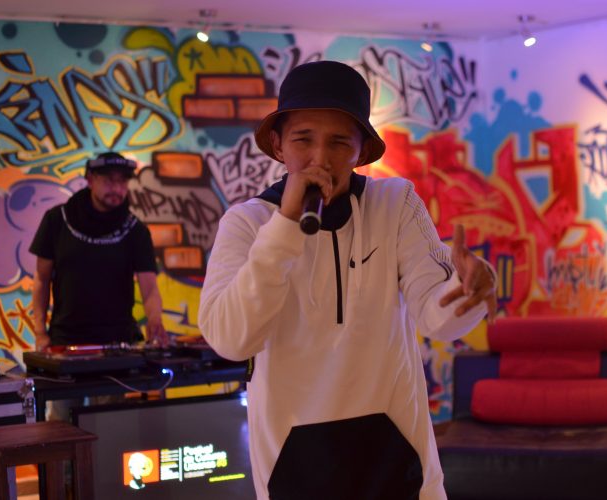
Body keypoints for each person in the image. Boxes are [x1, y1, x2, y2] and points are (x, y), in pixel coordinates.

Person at [199, 60, 497, 499]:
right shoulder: (246, 223)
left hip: (401, 470)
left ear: (360, 151)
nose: (320, 158)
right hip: (294, 474)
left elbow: (435, 317)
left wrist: (466, 290)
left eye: (339, 142)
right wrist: (284, 228)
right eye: (303, 139)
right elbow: (231, 339)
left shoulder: (395, 204)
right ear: (278, 145)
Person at [29, 152, 167, 418]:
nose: (117, 188)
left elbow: (149, 287)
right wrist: (40, 333)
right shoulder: (57, 220)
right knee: (62, 424)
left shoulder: (136, 230)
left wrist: (155, 321)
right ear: (90, 180)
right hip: (66, 343)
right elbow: (41, 279)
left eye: (122, 182)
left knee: (109, 424)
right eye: (109, 181)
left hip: (116, 346)